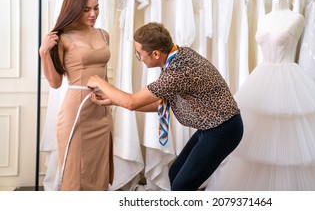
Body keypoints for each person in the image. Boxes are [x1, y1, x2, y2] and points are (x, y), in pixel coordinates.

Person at [206, 0, 315, 190]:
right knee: (256, 140)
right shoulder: (264, 18)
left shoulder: (297, 18)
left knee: (289, 135)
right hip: (262, 79)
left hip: (288, 80)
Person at [86, 22, 243, 191]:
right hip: (210, 127)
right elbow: (161, 103)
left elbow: (132, 102)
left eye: (139, 54)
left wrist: (99, 81)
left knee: (182, 186)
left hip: (223, 130)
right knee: (174, 175)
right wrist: (113, 100)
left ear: (155, 54)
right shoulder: (179, 54)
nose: (139, 58)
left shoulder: (176, 72)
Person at [39, 0, 113, 191]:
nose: (93, 14)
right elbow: (55, 83)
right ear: (74, 9)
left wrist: (111, 104)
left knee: (99, 169)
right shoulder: (62, 38)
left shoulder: (103, 34)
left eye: (96, 8)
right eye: (86, 9)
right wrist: (44, 53)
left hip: (101, 109)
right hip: (76, 113)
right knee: (75, 171)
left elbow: (104, 74)